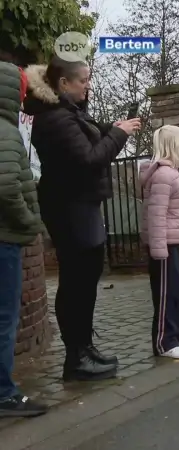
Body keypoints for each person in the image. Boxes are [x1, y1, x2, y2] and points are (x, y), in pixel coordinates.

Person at [24, 57, 139, 381]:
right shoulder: (55, 118)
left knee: (86, 281)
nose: (89, 85)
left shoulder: (70, 112)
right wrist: (118, 134)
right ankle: (75, 358)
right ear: (63, 84)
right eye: (83, 81)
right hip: (70, 207)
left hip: (81, 205)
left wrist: (114, 128)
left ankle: (85, 347)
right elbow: (89, 159)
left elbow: (93, 135)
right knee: (76, 283)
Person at [0, 60, 48, 417]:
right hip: (5, 239)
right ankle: (4, 395)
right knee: (5, 318)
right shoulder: (4, 131)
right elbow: (7, 188)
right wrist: (29, 221)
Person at [139, 125, 179, 359]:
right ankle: (164, 342)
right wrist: (159, 249)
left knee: (175, 292)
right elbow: (156, 214)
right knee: (165, 294)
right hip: (162, 245)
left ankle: (177, 334)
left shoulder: (170, 172)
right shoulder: (164, 175)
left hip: (170, 242)